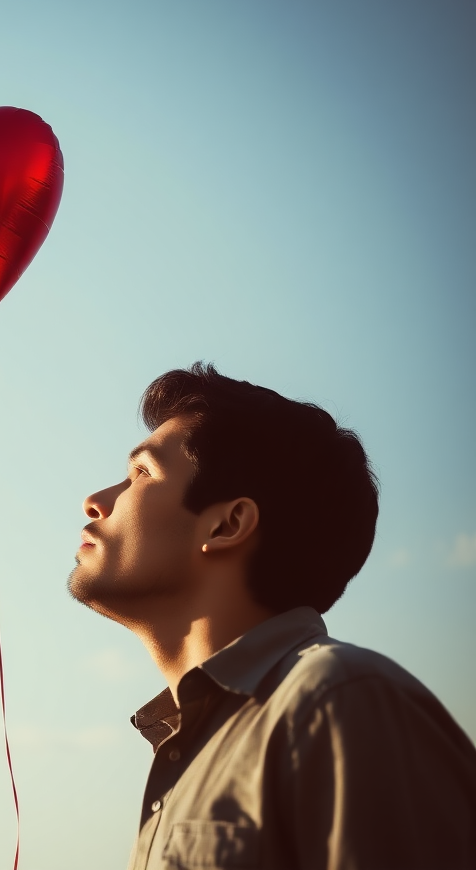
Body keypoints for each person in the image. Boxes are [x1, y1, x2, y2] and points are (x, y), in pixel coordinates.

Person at [68, 363, 476, 870]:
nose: (96, 501)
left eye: (142, 474)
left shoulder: (338, 700)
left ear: (229, 524)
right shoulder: (192, 745)